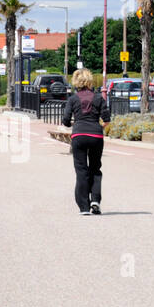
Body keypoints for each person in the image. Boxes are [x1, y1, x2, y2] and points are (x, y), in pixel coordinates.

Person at [61, 67, 111, 215]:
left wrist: (71, 124)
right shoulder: (98, 98)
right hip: (96, 136)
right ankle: (95, 200)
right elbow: (107, 120)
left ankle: (84, 206)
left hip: (79, 136)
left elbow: (65, 120)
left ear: (76, 82)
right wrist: (100, 126)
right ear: (89, 81)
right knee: (95, 168)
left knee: (81, 170)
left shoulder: (73, 99)